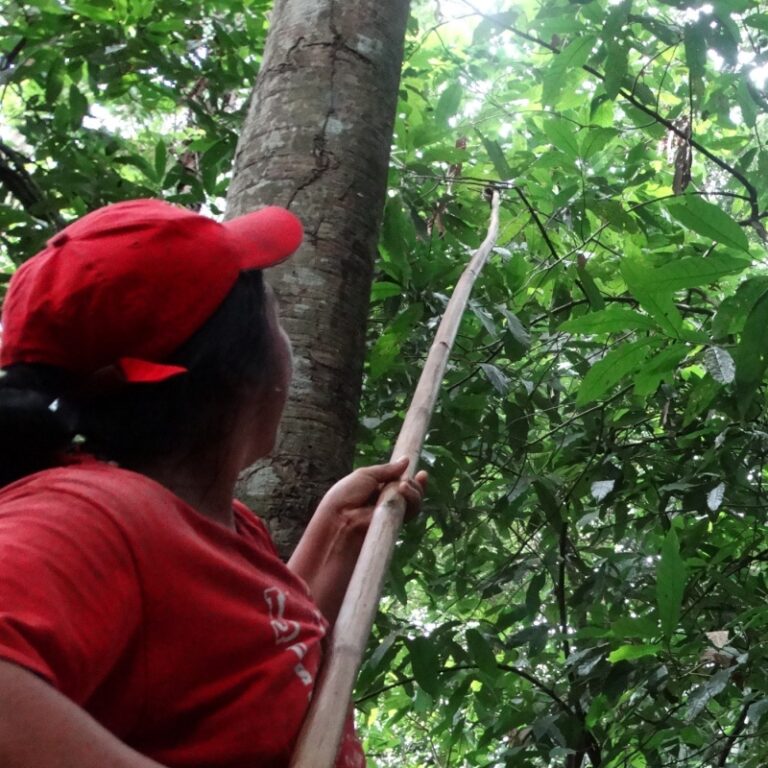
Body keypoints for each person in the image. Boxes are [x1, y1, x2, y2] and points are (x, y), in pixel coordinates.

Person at [0, 199, 427, 768]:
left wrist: (338, 533)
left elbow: (250, 668)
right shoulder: (95, 515)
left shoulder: (208, 524)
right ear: (236, 371)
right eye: (276, 314)